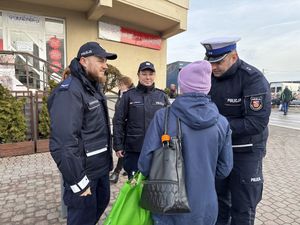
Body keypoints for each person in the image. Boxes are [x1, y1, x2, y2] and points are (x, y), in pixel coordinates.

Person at [138, 60, 233, 225]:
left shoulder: (163, 117)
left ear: (182, 87)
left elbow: (144, 164)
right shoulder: (222, 122)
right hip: (205, 207)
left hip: (168, 205)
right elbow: (224, 169)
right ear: (208, 87)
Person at [201, 37, 271, 225]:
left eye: (218, 62)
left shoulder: (253, 79)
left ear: (234, 56)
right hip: (218, 150)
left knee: (243, 207)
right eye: (210, 61)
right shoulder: (208, 78)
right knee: (218, 203)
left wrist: (216, 125)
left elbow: (256, 123)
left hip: (246, 151)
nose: (213, 67)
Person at [48, 41, 117, 225]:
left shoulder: (93, 88)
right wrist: (79, 182)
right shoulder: (70, 91)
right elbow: (63, 144)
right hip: (84, 176)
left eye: (106, 61)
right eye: (101, 60)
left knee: (96, 212)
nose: (106, 65)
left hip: (100, 171)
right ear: (84, 61)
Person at [113, 61, 169, 179]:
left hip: (156, 149)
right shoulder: (128, 96)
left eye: (150, 74)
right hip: (134, 150)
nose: (148, 77)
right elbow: (118, 121)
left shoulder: (162, 96)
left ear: (154, 75)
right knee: (134, 185)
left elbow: (169, 122)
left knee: (153, 186)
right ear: (138, 75)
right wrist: (118, 145)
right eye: (144, 74)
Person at [110, 76, 134, 183]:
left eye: (120, 85)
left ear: (126, 84)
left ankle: (116, 172)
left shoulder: (131, 95)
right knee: (124, 150)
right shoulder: (121, 93)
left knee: (124, 149)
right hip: (120, 126)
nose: (119, 87)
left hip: (127, 128)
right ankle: (125, 168)